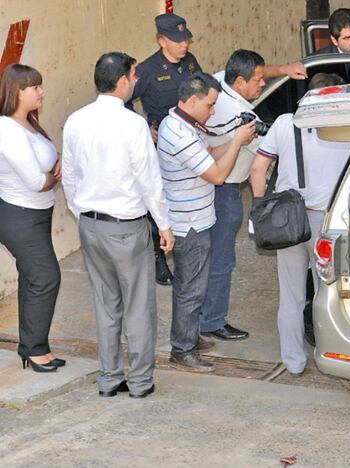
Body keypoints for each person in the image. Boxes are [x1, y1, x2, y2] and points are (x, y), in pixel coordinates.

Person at [128, 13, 308, 287]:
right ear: (161, 41)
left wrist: (284, 69)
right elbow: (123, 99)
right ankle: (160, 256)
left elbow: (228, 78)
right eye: (177, 41)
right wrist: (143, 128)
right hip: (167, 141)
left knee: (199, 216)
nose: (184, 45)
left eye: (186, 39)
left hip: (197, 142)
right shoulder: (148, 70)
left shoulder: (189, 62)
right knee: (164, 201)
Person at [62, 52, 174, 398]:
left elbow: (69, 176)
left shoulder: (76, 120)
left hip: (91, 226)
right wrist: (164, 225)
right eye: (134, 75)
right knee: (138, 305)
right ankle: (140, 381)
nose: (136, 81)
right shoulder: (132, 123)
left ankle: (109, 377)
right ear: (122, 80)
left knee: (106, 304)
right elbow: (148, 180)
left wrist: (81, 213)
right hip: (127, 226)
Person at [249, 73, 350, 376]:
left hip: (288, 219)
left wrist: (261, 210)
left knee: (291, 295)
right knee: (328, 292)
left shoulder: (284, 124)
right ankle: (330, 354)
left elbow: (258, 168)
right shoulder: (347, 128)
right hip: (329, 222)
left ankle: (293, 362)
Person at [156, 72, 256, 372]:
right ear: (192, 100)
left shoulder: (183, 122)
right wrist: (237, 142)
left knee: (190, 285)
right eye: (210, 105)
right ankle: (182, 350)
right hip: (189, 222)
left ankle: (188, 336)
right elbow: (216, 175)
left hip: (198, 217)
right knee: (191, 288)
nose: (213, 111)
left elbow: (210, 153)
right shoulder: (180, 133)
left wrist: (231, 140)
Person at [198, 50, 269, 341]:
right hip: (225, 191)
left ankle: (202, 317)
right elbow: (262, 160)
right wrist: (261, 206)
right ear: (240, 82)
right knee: (221, 260)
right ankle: (212, 321)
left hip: (203, 187)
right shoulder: (242, 117)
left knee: (204, 258)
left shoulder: (217, 83)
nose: (262, 84)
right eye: (258, 80)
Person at [0, 64, 62, 373]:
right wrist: (53, 177)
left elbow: (47, 164)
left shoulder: (28, 123)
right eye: (34, 87)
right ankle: (35, 349)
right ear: (16, 92)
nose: (41, 92)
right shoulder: (6, 129)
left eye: (40, 86)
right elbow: (36, 181)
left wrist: (53, 171)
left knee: (32, 278)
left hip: (37, 214)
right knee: (46, 276)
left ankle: (34, 346)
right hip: (19, 215)